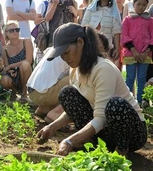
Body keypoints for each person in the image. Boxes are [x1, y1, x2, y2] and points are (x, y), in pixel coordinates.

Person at [37, 23, 147, 157]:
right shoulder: (75, 70)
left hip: (132, 133)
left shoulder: (103, 69)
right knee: (67, 94)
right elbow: (74, 111)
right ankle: (90, 143)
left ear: (80, 42)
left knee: (115, 105)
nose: (65, 58)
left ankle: (120, 154)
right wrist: (52, 127)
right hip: (105, 131)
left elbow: (101, 118)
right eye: (62, 55)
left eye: (66, 52)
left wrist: (70, 141)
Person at [121, 0, 153, 104]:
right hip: (131, 53)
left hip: (145, 54)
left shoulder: (150, 21)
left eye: (144, 5)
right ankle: (129, 102)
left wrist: (146, 51)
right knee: (130, 78)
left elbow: (152, 37)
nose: (141, 7)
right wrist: (134, 50)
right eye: (138, 4)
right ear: (133, 4)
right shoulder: (127, 20)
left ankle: (140, 102)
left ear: (147, 6)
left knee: (141, 78)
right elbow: (124, 36)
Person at [27, 47, 69, 123]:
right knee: (80, 79)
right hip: (41, 94)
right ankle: (55, 114)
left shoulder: (57, 46)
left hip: (33, 91)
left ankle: (44, 109)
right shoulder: (72, 49)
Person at [81, 0, 121, 67]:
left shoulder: (114, 12)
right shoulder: (90, 9)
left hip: (106, 46)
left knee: (102, 66)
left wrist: (117, 48)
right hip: (89, 45)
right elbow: (83, 26)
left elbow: (116, 31)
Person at [0, 20, 33, 101]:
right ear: (6, 33)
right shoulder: (5, 49)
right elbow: (6, 67)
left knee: (24, 65)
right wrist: (10, 70)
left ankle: (24, 94)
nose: (15, 31)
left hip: (26, 73)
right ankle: (13, 91)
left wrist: (11, 66)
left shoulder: (26, 41)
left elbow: (29, 60)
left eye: (17, 29)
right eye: (11, 30)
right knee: (4, 80)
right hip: (14, 76)